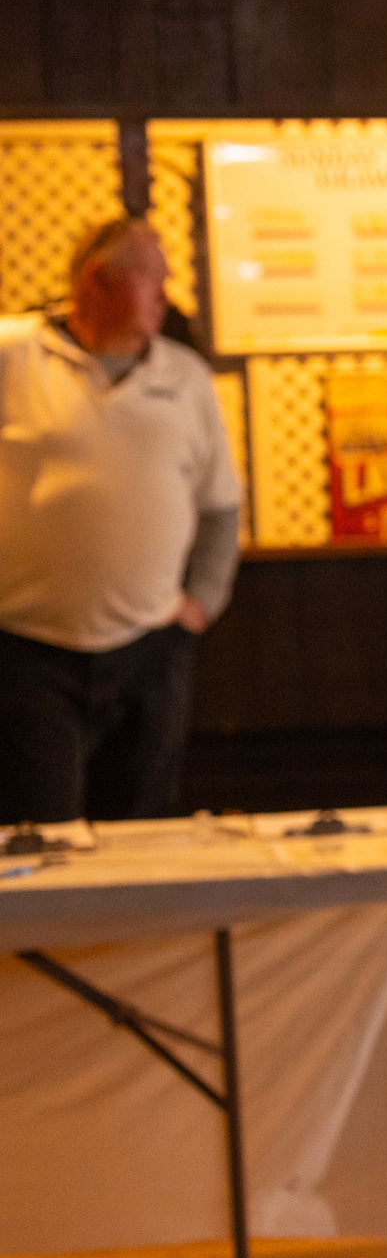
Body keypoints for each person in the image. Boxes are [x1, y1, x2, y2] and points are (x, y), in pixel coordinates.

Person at [0, 218, 241, 824]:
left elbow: (220, 507)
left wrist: (200, 605)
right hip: (29, 654)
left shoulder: (185, 377)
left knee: (141, 836)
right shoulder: (12, 355)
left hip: (151, 650)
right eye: (151, 279)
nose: (166, 295)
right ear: (96, 281)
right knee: (44, 837)